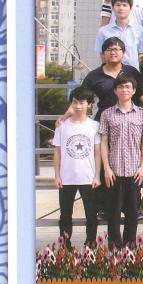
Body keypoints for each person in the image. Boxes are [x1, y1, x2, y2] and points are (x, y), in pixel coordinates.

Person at [98, 75, 143, 249]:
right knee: (113, 213)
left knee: (132, 213)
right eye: (121, 87)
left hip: (135, 172)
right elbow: (103, 141)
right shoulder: (107, 114)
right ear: (115, 90)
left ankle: (130, 246)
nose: (124, 90)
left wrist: (142, 167)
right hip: (114, 171)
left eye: (128, 87)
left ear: (133, 91)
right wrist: (106, 168)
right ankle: (114, 246)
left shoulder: (142, 113)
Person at [52, 86, 101, 247]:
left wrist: (97, 175)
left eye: (82, 102)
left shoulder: (95, 126)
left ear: (89, 104)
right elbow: (57, 151)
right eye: (75, 102)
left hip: (88, 178)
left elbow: (98, 153)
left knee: (91, 214)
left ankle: (90, 244)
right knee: (65, 215)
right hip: (66, 178)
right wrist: (57, 175)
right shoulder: (62, 126)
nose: (78, 106)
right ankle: (65, 246)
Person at [81, 37, 141, 118]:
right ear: (103, 54)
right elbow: (81, 97)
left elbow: (141, 95)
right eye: (109, 50)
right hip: (104, 120)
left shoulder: (132, 72)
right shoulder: (94, 76)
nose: (112, 52)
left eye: (116, 49)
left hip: (131, 119)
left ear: (123, 53)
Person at [95, 0, 143, 68]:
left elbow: (141, 55)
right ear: (112, 8)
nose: (121, 8)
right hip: (111, 72)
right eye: (118, 5)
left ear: (130, 8)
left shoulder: (140, 31)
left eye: (125, 5)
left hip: (133, 72)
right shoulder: (103, 31)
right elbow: (102, 54)